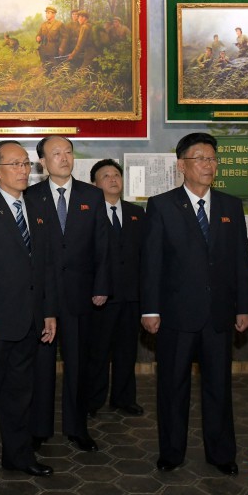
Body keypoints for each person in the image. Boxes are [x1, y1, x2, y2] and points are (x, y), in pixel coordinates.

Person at [140, 132, 248, 476]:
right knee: (172, 387)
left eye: (212, 158)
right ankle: (171, 452)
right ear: (182, 165)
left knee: (218, 388)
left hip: (218, 315)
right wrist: (150, 309)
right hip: (176, 315)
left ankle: (221, 454)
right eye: (200, 158)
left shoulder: (230, 205)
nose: (208, 165)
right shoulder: (161, 205)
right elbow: (152, 262)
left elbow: (241, 261)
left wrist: (244, 306)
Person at [0, 140, 57, 493]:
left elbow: (45, 267)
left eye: (26, 164)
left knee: (21, 395)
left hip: (30, 321)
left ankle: (18, 456)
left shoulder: (37, 209)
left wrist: (48, 312)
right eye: (15, 164)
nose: (23, 170)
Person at [26, 136, 109, 453]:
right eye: (55, 153)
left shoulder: (92, 196)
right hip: (41, 296)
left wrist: (102, 285)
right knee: (41, 366)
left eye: (68, 152)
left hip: (80, 295)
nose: (64, 158)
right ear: (43, 162)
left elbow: (103, 245)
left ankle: (77, 428)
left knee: (78, 365)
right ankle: (39, 428)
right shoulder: (30, 197)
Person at [85, 159, 144, 419]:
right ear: (94, 184)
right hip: (100, 297)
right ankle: (93, 400)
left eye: (116, 174)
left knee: (127, 351)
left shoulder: (137, 213)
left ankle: (124, 398)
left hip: (131, 296)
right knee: (97, 352)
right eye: (106, 175)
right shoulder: (87, 214)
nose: (112, 179)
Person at [36, 6, 64, 74]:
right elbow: (38, 34)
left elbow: (65, 37)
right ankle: (46, 80)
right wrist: (38, 38)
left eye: (49, 13)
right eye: (46, 13)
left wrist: (61, 48)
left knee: (55, 67)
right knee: (45, 66)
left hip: (54, 48)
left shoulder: (59, 24)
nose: (47, 15)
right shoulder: (43, 24)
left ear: (54, 14)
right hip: (43, 48)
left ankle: (56, 81)